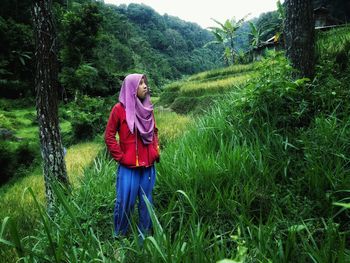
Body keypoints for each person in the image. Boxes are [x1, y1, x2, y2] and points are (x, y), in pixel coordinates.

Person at [104, 73, 160, 239]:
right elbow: (109, 136)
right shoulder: (119, 110)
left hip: (148, 166)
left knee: (146, 203)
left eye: (145, 83)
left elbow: (154, 131)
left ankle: (145, 237)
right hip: (129, 167)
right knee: (125, 202)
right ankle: (119, 236)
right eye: (140, 84)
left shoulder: (147, 108)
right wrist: (121, 157)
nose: (145, 86)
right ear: (130, 88)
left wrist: (155, 150)